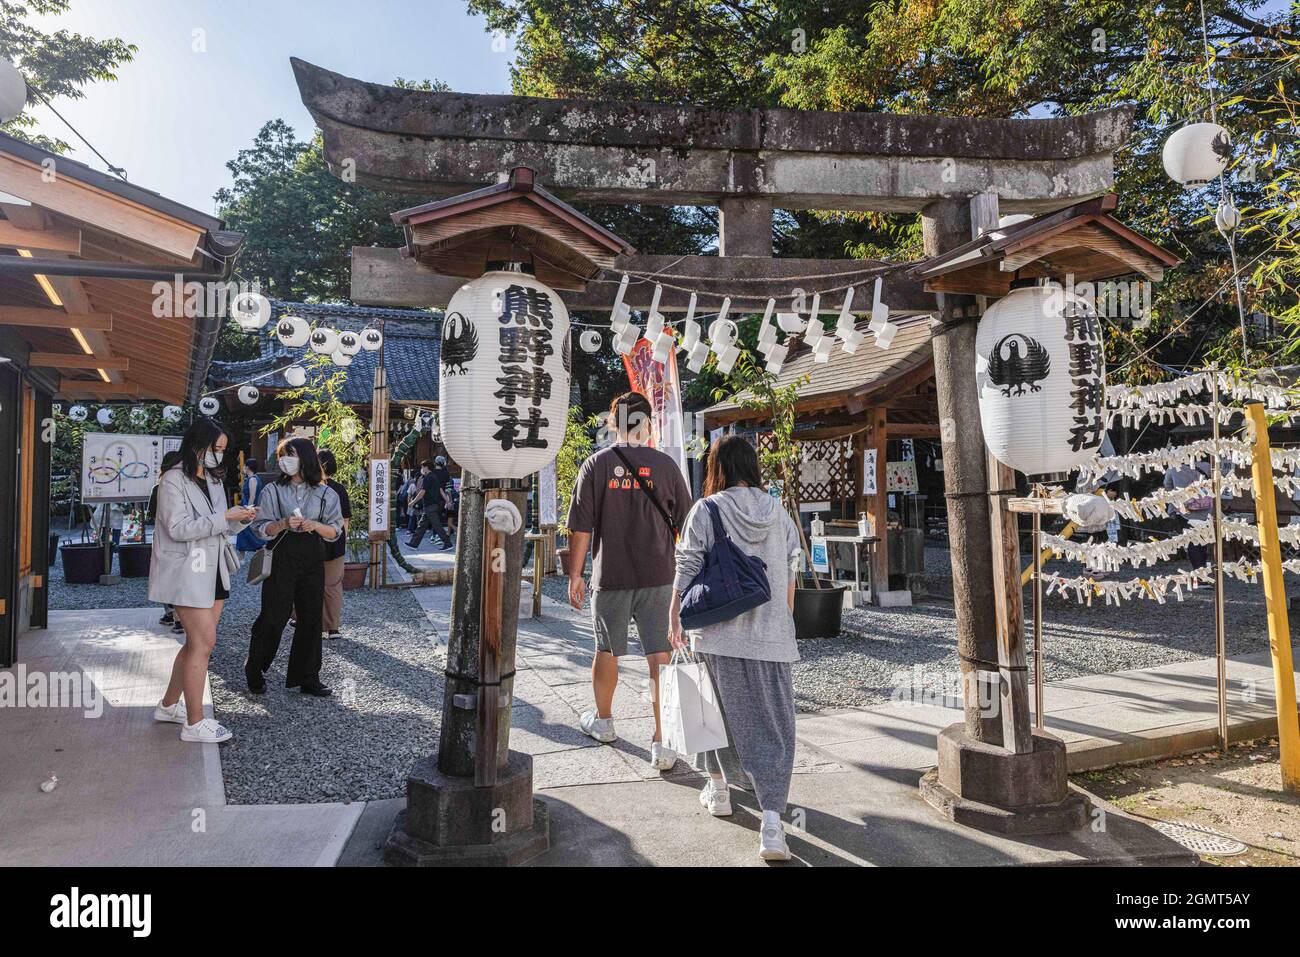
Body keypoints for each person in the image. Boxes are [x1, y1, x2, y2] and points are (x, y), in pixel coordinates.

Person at [669, 435, 803, 862]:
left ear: (717, 468)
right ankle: (772, 825)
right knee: (774, 729)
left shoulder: (706, 510)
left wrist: (674, 615)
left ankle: (720, 789)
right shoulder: (779, 512)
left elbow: (687, 565)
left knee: (713, 716)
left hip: (716, 636)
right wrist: (784, 624)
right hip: (772, 639)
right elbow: (792, 572)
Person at [567, 391, 691, 771]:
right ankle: (662, 740)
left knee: (607, 650)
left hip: (612, 575)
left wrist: (575, 574)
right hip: (659, 575)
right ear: (647, 424)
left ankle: (603, 722)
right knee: (660, 657)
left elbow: (580, 526)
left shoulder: (596, 465)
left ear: (612, 422)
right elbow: (686, 524)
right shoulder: (666, 466)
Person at [148, 419, 255, 744]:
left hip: (214, 568)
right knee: (204, 645)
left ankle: (168, 706)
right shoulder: (173, 480)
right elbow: (178, 528)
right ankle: (194, 723)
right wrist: (224, 517)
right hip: (187, 571)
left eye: (222, 450)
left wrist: (239, 519)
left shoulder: (213, 480)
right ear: (197, 445)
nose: (218, 456)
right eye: (215, 449)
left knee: (196, 644)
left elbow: (218, 525)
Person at [244, 437, 343, 696]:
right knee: (274, 614)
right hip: (282, 555)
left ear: (306, 458)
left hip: (313, 555)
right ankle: (255, 668)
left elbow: (334, 530)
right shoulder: (272, 490)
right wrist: (283, 524)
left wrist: (314, 525)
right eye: (282, 455)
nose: (285, 460)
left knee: (311, 617)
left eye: (291, 455)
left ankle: (308, 676)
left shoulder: (326, 493)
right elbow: (261, 527)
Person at [317, 449, 352, 639]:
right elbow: (345, 520)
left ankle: (317, 625)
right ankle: (333, 627)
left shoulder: (310, 487)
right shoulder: (340, 489)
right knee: (333, 585)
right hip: (336, 540)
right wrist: (343, 541)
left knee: (313, 584)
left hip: (314, 541)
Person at [148, 450, 184, 634]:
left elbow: (152, 515)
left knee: (167, 578)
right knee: (177, 580)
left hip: (164, 539)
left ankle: (173, 615)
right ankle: (177, 618)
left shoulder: (158, 487)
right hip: (182, 540)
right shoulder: (184, 487)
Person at [409, 456, 453, 550]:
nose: (422, 469)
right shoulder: (434, 476)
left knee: (437, 526)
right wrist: (448, 501)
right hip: (434, 505)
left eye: (422, 467)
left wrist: (413, 502)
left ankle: (448, 543)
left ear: (426, 467)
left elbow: (422, 492)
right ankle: (413, 544)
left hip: (430, 505)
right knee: (422, 526)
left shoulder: (428, 477)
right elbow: (441, 490)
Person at [235, 458, 263, 553]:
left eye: (245, 466)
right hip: (247, 506)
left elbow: (252, 496)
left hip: (249, 508)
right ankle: (241, 554)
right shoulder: (253, 478)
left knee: (246, 530)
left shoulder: (252, 479)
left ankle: (260, 546)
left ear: (247, 467)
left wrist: (248, 509)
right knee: (244, 530)